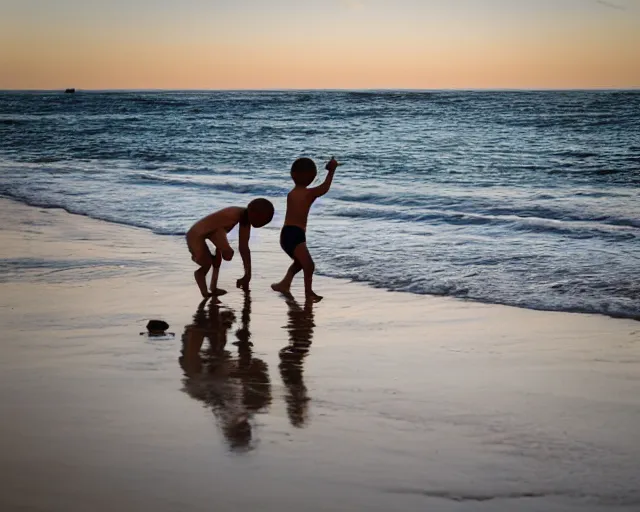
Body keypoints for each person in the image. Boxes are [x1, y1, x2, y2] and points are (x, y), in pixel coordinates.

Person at [271, 157, 340, 301]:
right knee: (309, 265)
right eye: (312, 174)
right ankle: (308, 292)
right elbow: (324, 188)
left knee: (299, 263)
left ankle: (284, 284)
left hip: (290, 234)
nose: (314, 176)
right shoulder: (307, 193)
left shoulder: (294, 193)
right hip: (293, 234)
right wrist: (331, 171)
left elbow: (317, 192)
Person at [186, 199, 274, 298]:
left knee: (218, 259)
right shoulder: (232, 214)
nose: (262, 223)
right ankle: (202, 283)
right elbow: (216, 230)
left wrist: (247, 275)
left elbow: (244, 247)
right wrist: (224, 248)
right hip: (196, 235)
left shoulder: (245, 218)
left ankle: (213, 287)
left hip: (212, 232)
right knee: (209, 262)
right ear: (252, 212)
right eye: (261, 219)